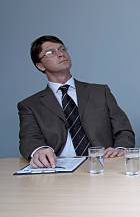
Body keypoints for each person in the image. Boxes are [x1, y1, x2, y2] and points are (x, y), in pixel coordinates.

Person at [18, 35, 134, 168]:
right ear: (40, 66)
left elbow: (124, 130)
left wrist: (120, 148)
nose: (60, 54)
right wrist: (39, 150)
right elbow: (29, 139)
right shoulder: (30, 105)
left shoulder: (100, 92)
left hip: (102, 165)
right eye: (51, 52)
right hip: (58, 167)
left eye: (62, 49)